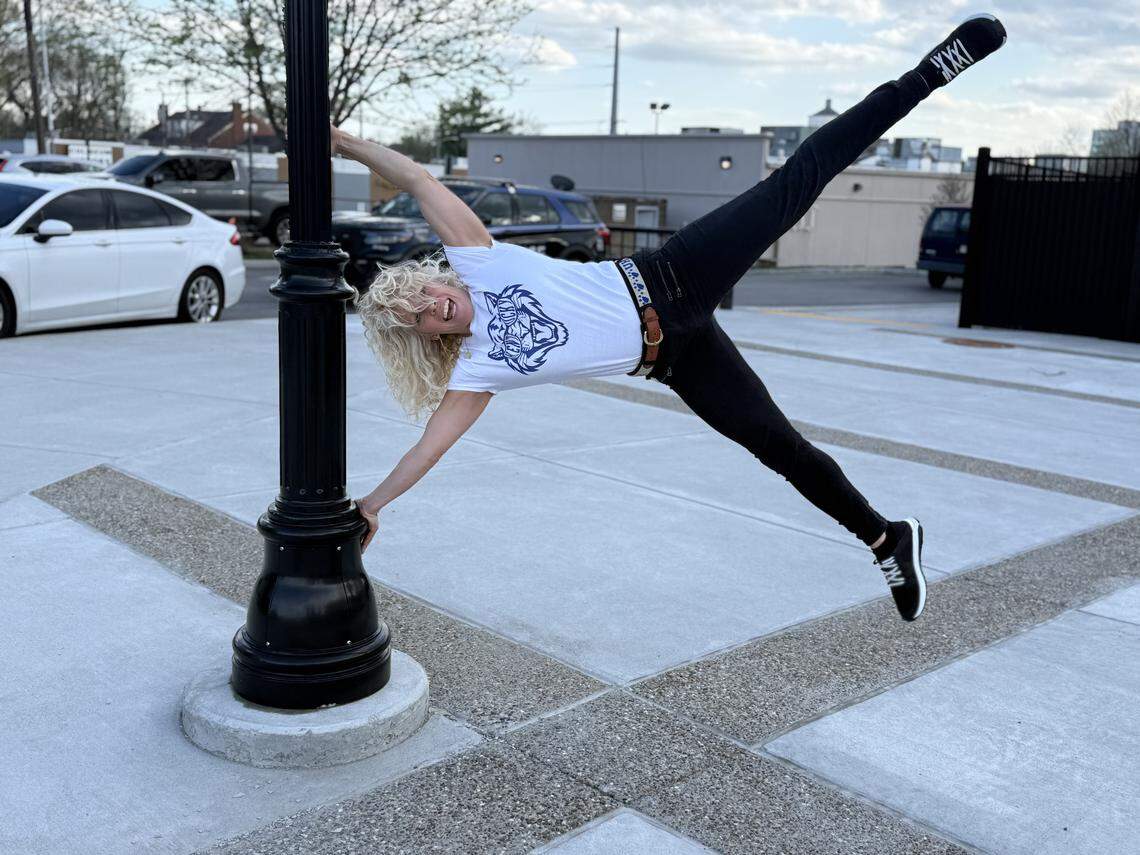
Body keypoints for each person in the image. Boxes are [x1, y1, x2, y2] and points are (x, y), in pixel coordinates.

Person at [332, 14, 1007, 623]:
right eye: (416, 318)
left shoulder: (478, 259)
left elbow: (418, 179)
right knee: (778, 446)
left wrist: (343, 141)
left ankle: (932, 71)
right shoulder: (479, 372)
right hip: (677, 358)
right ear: (426, 340)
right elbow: (429, 448)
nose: (427, 306)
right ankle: (887, 537)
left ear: (433, 276)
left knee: (800, 177)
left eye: (419, 291)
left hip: (676, 272)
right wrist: (372, 505)